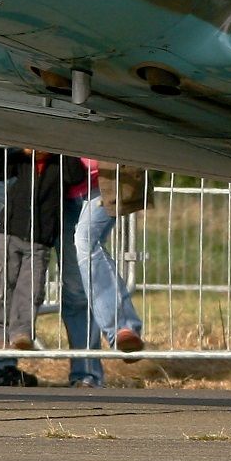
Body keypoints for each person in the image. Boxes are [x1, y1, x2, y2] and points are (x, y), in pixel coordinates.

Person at [0, 149, 90, 387]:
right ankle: (0, 335)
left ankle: (21, 333)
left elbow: (75, 176)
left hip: (41, 237)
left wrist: (60, 149)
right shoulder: (20, 161)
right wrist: (19, 149)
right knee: (1, 284)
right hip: (10, 230)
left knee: (30, 289)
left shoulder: (59, 163)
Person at [74, 159, 149, 383]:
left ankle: (123, 326)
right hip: (64, 185)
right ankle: (86, 374)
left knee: (85, 241)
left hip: (107, 180)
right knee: (76, 288)